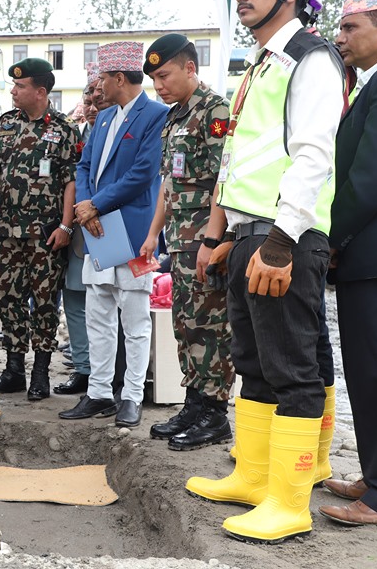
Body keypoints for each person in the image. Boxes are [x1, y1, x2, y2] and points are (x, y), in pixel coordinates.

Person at [185, 0, 346, 543]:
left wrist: (280, 242)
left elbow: (312, 155)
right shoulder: (261, 61)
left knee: (292, 367)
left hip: (286, 236)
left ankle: (290, 497)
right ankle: (255, 476)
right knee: (253, 359)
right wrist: (218, 230)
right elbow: (240, 154)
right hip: (250, 233)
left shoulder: (310, 56)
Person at [319, 0, 377, 528]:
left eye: (351, 27)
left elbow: (375, 175)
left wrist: (330, 237)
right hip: (376, 256)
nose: (342, 37)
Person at [61, 41, 167, 428]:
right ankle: (100, 393)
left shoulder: (156, 115)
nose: (98, 87)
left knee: (136, 320)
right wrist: (86, 205)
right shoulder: (103, 119)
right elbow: (84, 167)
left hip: (137, 233)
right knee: (98, 313)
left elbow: (143, 173)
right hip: (100, 230)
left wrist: (95, 205)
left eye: (103, 79)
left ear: (119, 78)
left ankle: (132, 396)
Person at [138, 33, 235, 450]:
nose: (158, 85)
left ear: (190, 68)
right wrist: (153, 234)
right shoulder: (175, 116)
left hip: (204, 240)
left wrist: (214, 241)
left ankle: (214, 413)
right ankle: (194, 403)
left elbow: (224, 181)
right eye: (154, 79)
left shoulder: (215, 111)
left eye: (165, 75)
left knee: (211, 326)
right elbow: (167, 183)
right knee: (185, 324)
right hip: (178, 241)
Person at [0, 58, 77, 401]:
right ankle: (14, 369)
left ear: (40, 91)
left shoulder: (65, 129)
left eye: (20, 87)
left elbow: (71, 180)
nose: (13, 92)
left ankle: (40, 372)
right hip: (8, 229)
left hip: (46, 233)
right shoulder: (6, 124)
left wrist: (66, 224)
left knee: (46, 301)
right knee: (9, 299)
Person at [54, 62, 101, 396]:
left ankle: (107, 371)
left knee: (109, 304)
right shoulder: (75, 136)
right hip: (76, 235)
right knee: (74, 298)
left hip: (111, 233)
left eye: (98, 98)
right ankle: (83, 368)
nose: (93, 105)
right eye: (88, 99)